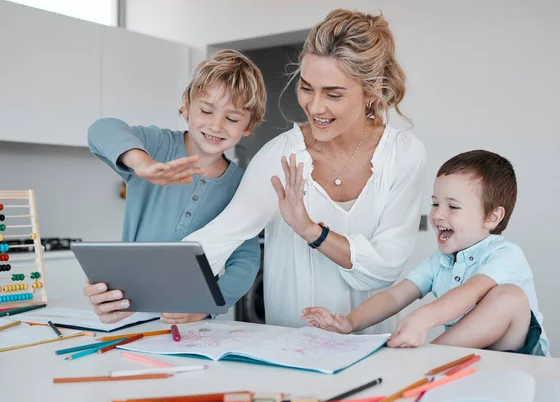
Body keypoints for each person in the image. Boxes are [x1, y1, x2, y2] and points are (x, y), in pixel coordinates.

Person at [183, 9, 426, 332]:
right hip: (290, 351)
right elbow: (217, 240)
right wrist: (130, 288)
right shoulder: (279, 156)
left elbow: (383, 268)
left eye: (333, 94)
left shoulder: (404, 155)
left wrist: (311, 231)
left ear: (372, 91)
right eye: (307, 87)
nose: (314, 106)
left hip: (374, 352)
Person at [303, 150, 549, 356]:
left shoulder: (506, 255)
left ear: (492, 217)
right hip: (471, 362)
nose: (438, 215)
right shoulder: (440, 261)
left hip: (519, 359)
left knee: (510, 297)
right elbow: (395, 297)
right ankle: (430, 360)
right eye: (434, 203)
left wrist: (423, 318)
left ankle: (430, 357)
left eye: (452, 206)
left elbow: (469, 293)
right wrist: (349, 323)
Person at [83, 49, 267, 324]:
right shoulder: (156, 146)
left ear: (248, 126)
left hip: (191, 320)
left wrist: (206, 306)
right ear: (185, 106)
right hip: (127, 310)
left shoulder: (242, 185)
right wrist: (142, 163)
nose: (216, 125)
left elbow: (246, 261)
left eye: (232, 118)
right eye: (206, 110)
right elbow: (101, 129)